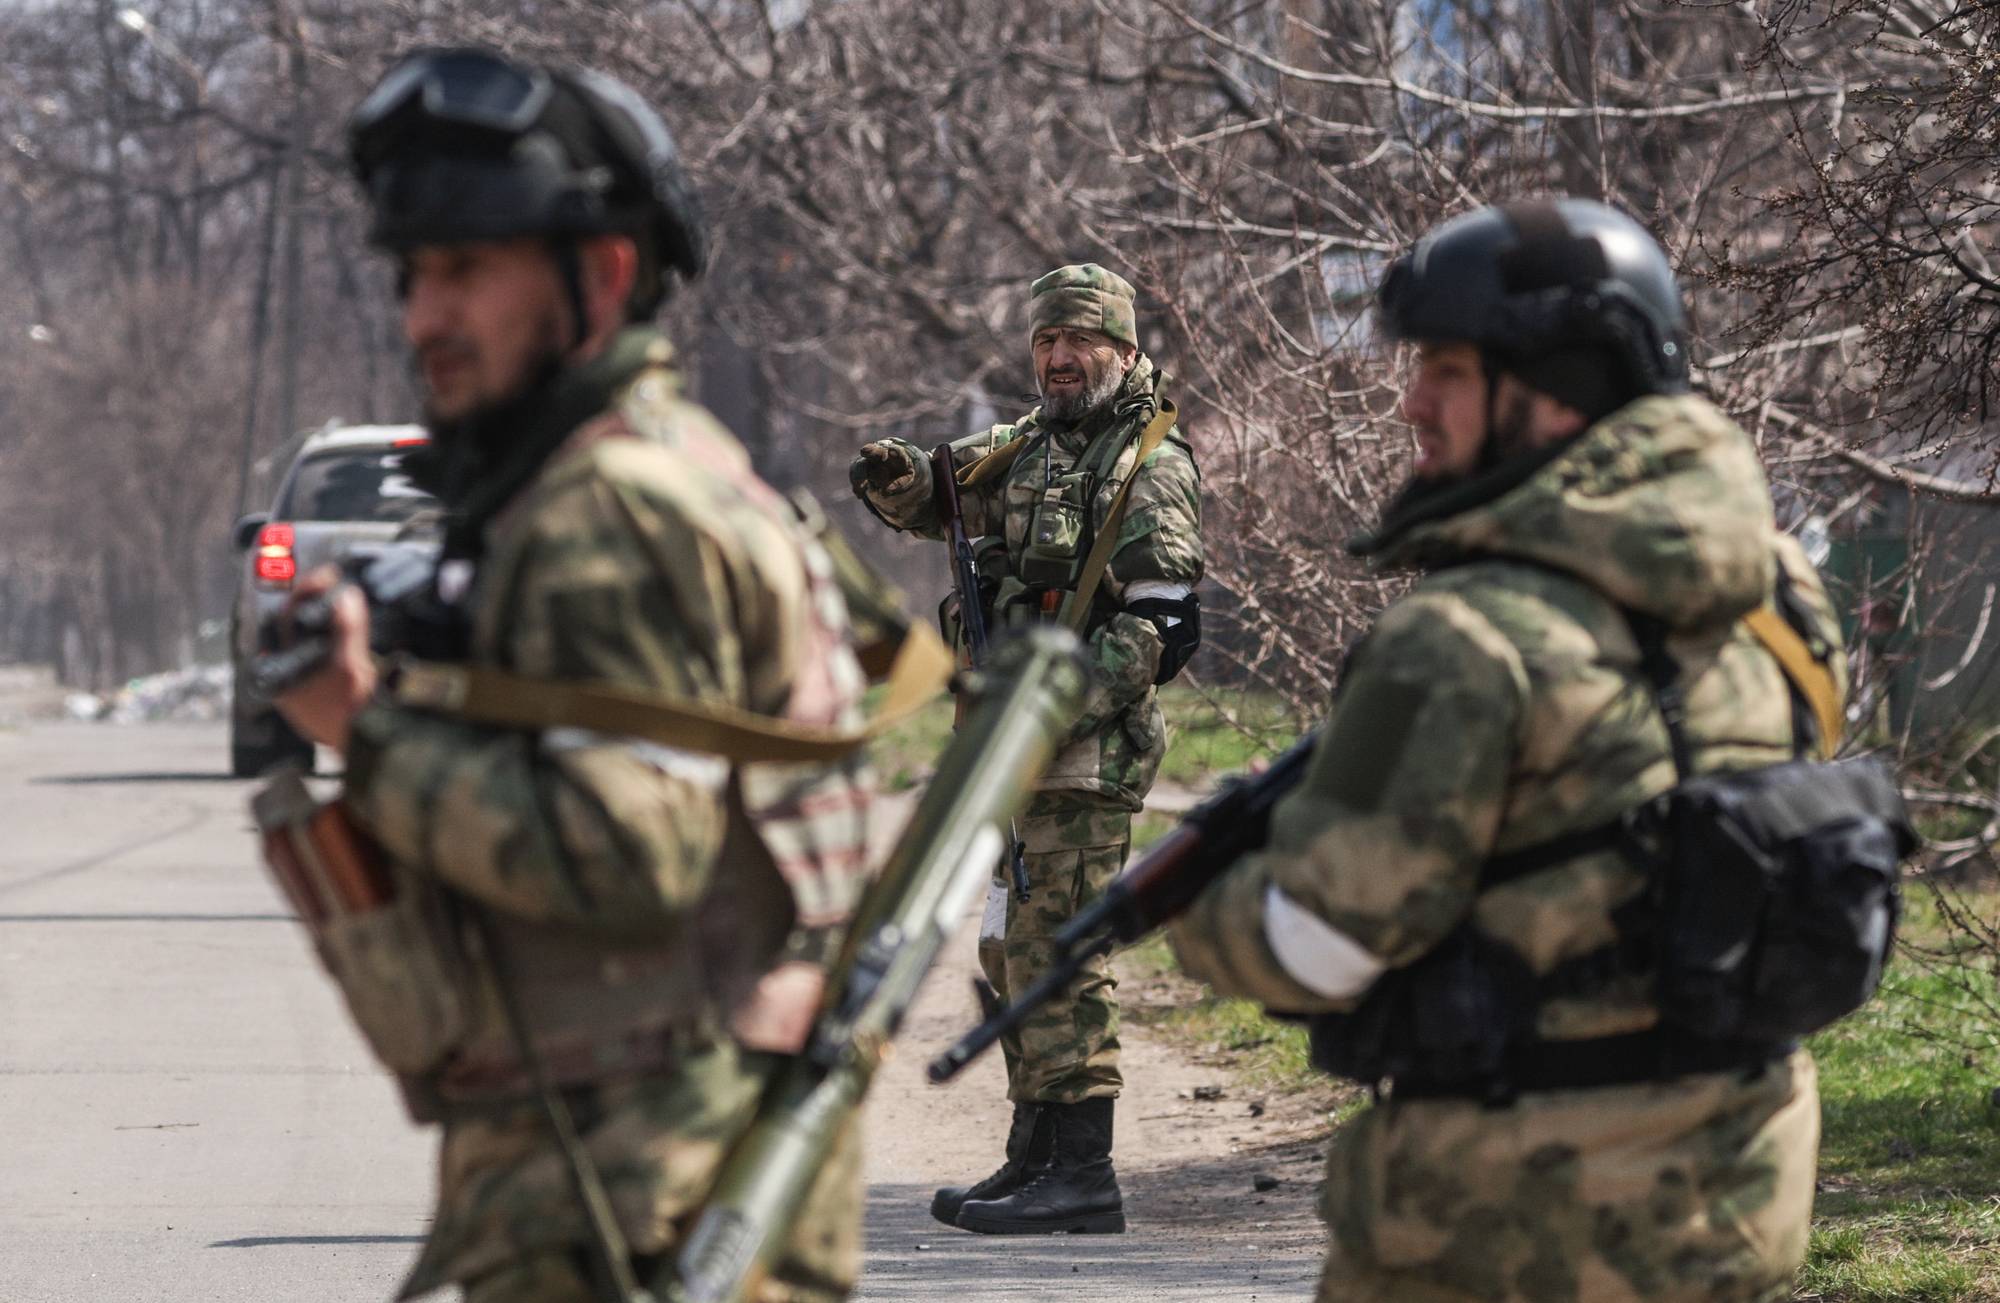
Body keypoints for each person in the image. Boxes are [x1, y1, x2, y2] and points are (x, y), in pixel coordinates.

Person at [275, 48, 876, 1303]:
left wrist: (363, 727)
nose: (423, 318)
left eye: (466, 270)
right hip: (649, 1176)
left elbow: (624, 849)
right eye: (412, 275)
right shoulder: (671, 465)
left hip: (634, 1197)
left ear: (599, 276)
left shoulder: (606, 507)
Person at [1169, 198, 1843, 1301]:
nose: (1408, 404)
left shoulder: (1461, 639)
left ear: (1554, 392)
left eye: (1446, 370)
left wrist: (1203, 898)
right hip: (1726, 1210)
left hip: (1506, 1236)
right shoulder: (1775, 589)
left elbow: (1319, 945)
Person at [849, 263, 1203, 1234]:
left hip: (1082, 751)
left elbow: (1163, 629)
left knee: (1061, 947)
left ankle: (1083, 1173)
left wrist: (1057, 706)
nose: (1056, 357)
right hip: (1006, 745)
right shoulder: (1030, 444)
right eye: (1045, 341)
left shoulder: (1145, 461)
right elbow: (940, 498)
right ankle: (1034, 1154)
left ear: (1123, 350)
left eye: (1078, 341)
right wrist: (896, 479)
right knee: (1010, 944)